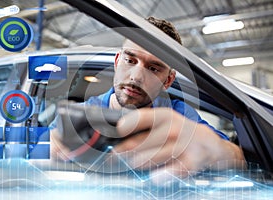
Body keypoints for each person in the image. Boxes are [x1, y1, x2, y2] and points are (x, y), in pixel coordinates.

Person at [51, 16, 245, 184]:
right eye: (130, 60)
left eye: (153, 68)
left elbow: (238, 157)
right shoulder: (77, 116)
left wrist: (215, 150)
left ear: (168, 80)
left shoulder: (179, 117)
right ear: (118, 61)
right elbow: (30, 153)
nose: (136, 77)